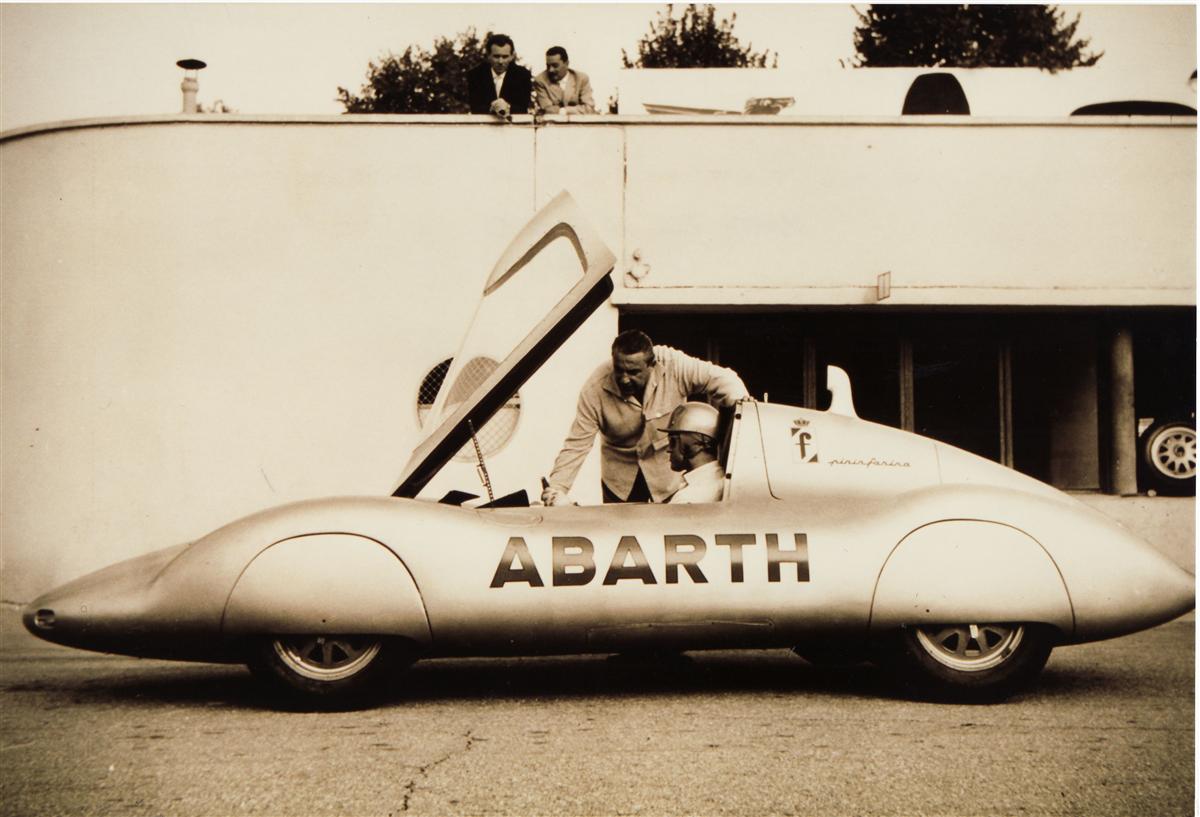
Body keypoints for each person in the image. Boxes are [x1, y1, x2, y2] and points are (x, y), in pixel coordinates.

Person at [542, 330, 748, 505]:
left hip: (667, 478)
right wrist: (557, 489)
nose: (624, 379)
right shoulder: (594, 388)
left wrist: (743, 422)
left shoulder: (675, 365)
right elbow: (577, 444)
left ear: (653, 364)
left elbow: (727, 381)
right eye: (619, 370)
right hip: (620, 483)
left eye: (633, 372)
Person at [665, 402, 726, 504]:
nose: (668, 449)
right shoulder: (719, 480)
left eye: (673, 441)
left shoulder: (687, 498)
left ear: (695, 444)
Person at [467, 34, 533, 118]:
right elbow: (475, 108)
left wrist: (508, 107)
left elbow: (523, 108)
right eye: (496, 56)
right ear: (488, 55)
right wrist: (492, 108)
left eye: (505, 57)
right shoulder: (475, 75)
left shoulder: (522, 75)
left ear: (512, 56)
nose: (500, 61)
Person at [533, 46, 596, 114]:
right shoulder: (540, 80)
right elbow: (547, 109)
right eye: (548, 66)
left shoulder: (581, 79)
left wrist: (563, 111)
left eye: (555, 65)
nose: (551, 70)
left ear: (566, 63)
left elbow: (588, 108)